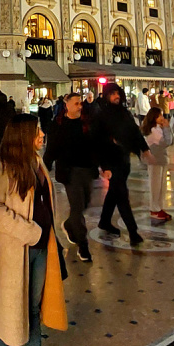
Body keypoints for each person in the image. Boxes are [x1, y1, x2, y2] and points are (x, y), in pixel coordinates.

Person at [0, 114, 67, 346]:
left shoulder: (37, 162)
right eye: (37, 131)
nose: (43, 135)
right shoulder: (1, 168)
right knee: (10, 314)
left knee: (33, 312)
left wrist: (54, 233)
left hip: (42, 250)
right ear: (23, 135)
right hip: (15, 251)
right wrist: (30, 232)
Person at [43, 92, 103, 262]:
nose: (79, 106)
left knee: (83, 205)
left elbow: (96, 145)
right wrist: (45, 168)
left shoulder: (87, 122)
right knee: (77, 208)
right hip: (70, 172)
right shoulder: (59, 124)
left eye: (80, 103)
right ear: (66, 104)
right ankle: (83, 246)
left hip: (87, 169)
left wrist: (104, 165)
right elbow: (51, 149)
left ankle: (69, 225)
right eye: (76, 103)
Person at [93, 82, 145, 244]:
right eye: (112, 93)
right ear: (107, 95)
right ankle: (133, 232)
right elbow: (98, 143)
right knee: (122, 195)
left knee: (114, 193)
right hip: (112, 162)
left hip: (124, 161)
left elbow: (134, 132)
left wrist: (143, 149)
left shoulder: (124, 113)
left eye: (118, 93)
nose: (116, 96)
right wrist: (104, 166)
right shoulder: (101, 115)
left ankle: (104, 221)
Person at [142, 106, 172, 222]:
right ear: (154, 117)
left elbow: (171, 140)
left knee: (162, 186)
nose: (162, 118)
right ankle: (154, 209)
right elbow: (167, 142)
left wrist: (166, 128)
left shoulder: (159, 128)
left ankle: (159, 207)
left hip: (162, 160)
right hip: (155, 161)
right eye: (160, 116)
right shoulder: (153, 131)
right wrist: (167, 128)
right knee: (155, 186)